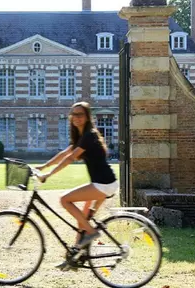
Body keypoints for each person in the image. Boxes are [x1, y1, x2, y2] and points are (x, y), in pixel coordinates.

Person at [36, 101, 118, 270]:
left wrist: (48, 175)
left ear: (87, 117)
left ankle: (92, 233)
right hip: (103, 183)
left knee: (65, 200)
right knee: (83, 219)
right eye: (73, 114)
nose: (76, 118)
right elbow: (64, 153)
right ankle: (74, 258)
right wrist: (44, 166)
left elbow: (70, 158)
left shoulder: (89, 135)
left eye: (80, 114)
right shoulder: (83, 136)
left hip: (103, 184)